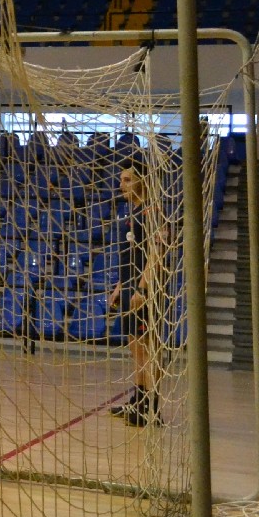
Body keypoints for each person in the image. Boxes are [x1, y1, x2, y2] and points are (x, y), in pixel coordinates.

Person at [108, 160, 162, 427]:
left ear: (143, 180)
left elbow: (157, 253)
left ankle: (152, 408)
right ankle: (138, 400)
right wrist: (120, 287)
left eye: (128, 179)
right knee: (135, 347)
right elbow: (130, 256)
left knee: (147, 349)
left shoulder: (153, 211)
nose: (122, 185)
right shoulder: (132, 211)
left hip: (145, 290)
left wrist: (143, 288)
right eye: (121, 180)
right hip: (130, 286)